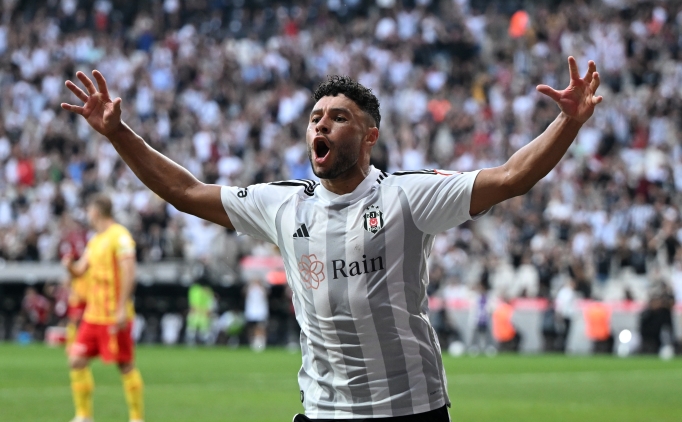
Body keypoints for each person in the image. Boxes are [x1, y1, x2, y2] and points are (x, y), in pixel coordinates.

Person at [62, 56, 601, 421]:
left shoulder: (408, 196)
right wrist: (117, 133)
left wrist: (569, 123)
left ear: (370, 136)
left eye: (338, 118)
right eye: (315, 118)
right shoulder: (282, 204)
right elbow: (185, 191)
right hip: (324, 412)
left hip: (411, 409)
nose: (320, 126)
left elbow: (511, 177)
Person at [61, 195, 144, 422]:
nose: (87, 215)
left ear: (96, 212)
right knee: (76, 360)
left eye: (89, 210)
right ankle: (83, 415)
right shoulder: (95, 240)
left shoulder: (120, 236)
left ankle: (137, 418)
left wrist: (121, 307)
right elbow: (80, 270)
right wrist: (69, 267)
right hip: (93, 315)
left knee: (125, 365)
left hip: (114, 314)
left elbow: (129, 272)